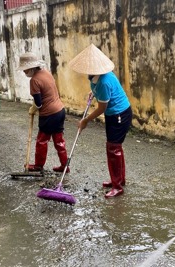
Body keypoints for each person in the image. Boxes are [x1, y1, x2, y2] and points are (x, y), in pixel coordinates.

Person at [69, 44, 132, 198]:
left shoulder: (104, 81)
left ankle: (117, 186)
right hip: (114, 114)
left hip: (119, 115)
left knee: (113, 148)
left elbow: (101, 108)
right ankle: (119, 180)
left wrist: (86, 120)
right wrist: (93, 92)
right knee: (115, 147)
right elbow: (101, 92)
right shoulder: (95, 78)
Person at [17, 52, 70, 173]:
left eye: (25, 70)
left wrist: (33, 109)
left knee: (42, 141)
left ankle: (38, 166)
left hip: (49, 114)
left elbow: (39, 103)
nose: (24, 73)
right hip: (60, 111)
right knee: (59, 140)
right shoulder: (46, 72)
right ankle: (64, 166)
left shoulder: (34, 80)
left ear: (30, 68)